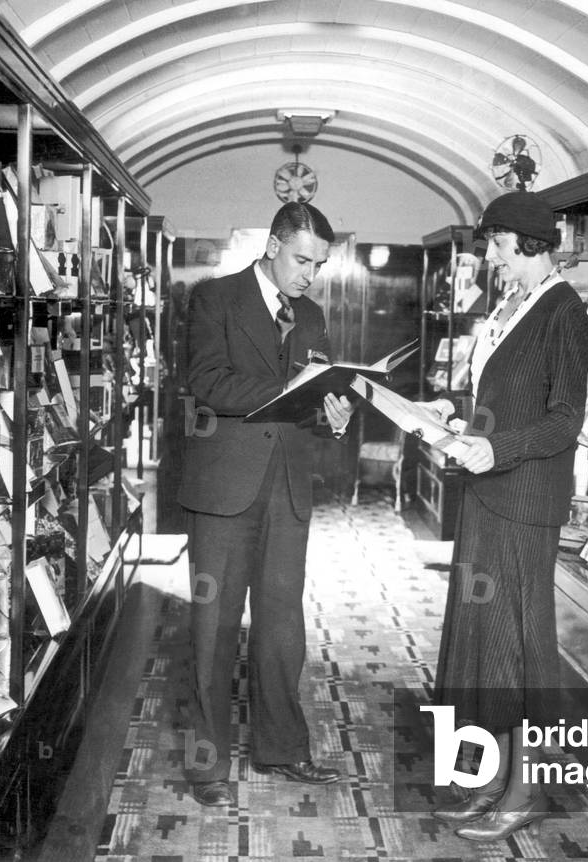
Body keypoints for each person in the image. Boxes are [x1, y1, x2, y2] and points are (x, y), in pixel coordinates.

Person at [177, 202, 354, 806]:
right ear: (274, 244)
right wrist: (292, 390)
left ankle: (283, 748)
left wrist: (335, 412)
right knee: (213, 629)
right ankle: (206, 768)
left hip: (286, 489)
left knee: (282, 628)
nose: (310, 274)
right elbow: (207, 380)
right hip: (224, 489)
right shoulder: (214, 298)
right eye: (302, 259)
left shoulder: (312, 316)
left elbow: (322, 391)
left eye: (320, 264)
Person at [430, 190, 588, 841]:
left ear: (527, 241)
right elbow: (499, 395)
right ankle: (496, 778)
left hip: (523, 502)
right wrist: (453, 416)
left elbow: (564, 420)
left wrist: (495, 446)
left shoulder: (563, 311)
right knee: (485, 646)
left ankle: (528, 790)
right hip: (486, 494)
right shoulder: (509, 305)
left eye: (496, 243)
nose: (489, 255)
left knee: (520, 647)